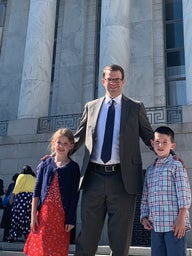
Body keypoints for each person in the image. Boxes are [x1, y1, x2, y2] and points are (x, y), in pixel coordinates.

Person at [73, 64, 154, 256]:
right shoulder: (91, 107)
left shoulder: (135, 107)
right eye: (109, 79)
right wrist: (57, 155)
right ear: (103, 81)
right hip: (94, 177)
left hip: (122, 179)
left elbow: (148, 135)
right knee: (87, 236)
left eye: (117, 79)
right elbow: (79, 136)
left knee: (120, 239)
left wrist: (171, 155)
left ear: (123, 82)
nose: (113, 83)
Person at [23, 128, 80, 256]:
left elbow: (74, 196)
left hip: (61, 218)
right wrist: (33, 215)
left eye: (65, 143)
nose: (61, 146)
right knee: (40, 249)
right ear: (54, 143)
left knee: (57, 250)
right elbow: (36, 191)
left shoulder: (73, 167)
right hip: (43, 216)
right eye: (59, 142)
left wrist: (70, 219)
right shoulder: (45, 163)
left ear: (71, 146)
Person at [140, 126, 191, 256]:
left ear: (172, 145)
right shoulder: (150, 170)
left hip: (174, 226)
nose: (160, 145)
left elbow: (184, 194)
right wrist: (143, 217)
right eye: (157, 141)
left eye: (165, 142)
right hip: (155, 225)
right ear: (152, 143)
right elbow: (145, 196)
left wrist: (181, 219)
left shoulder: (176, 166)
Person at [8, 165, 36, 242]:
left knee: (16, 216)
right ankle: (27, 235)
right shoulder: (34, 178)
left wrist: (12, 196)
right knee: (28, 217)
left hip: (21, 197)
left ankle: (13, 235)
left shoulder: (21, 176)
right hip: (31, 198)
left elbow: (17, 187)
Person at [0, 173, 19, 241]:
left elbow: (7, 193)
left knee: (7, 223)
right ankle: (12, 236)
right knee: (12, 222)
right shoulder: (19, 185)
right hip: (15, 206)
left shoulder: (11, 185)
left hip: (8, 206)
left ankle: (6, 236)